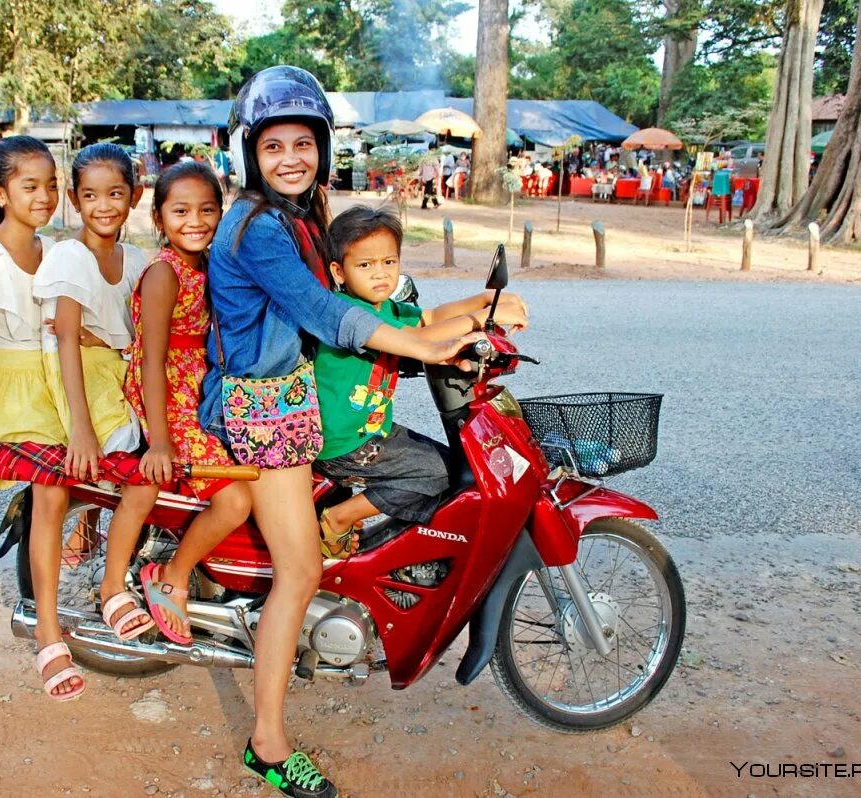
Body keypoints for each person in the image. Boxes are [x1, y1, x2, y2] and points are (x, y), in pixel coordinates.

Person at [200, 65, 485, 798]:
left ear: (323, 148)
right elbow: (325, 314)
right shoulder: (259, 227)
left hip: (300, 394)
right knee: (299, 571)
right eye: (274, 147)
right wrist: (425, 346)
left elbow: (362, 283)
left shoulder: (307, 213)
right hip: (265, 407)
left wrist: (455, 314)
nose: (290, 157)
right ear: (248, 155)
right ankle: (267, 744)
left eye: (304, 142)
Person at [0, 136, 81, 702]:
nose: (45, 195)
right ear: (1, 192)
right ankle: (49, 634)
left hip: (57, 379)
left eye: (52, 185)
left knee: (113, 455)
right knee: (51, 491)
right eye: (31, 186)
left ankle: (82, 532)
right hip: (16, 390)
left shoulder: (53, 251)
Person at [312, 205, 528, 553]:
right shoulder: (350, 313)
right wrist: (480, 319)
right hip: (344, 443)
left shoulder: (385, 307)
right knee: (439, 473)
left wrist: (484, 299)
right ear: (339, 271)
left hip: (372, 430)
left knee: (456, 467)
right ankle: (340, 516)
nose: (379, 274)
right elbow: (421, 341)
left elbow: (429, 318)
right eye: (365, 265)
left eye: (388, 263)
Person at [32, 142, 158, 642]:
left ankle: (91, 532)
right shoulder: (70, 256)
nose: (103, 206)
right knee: (134, 462)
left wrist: (109, 342)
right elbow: (65, 338)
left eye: (115, 194)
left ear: (135, 196)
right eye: (90, 196)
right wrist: (80, 432)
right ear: (73, 198)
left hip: (115, 368)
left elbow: (129, 333)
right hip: (78, 377)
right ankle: (109, 585)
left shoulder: (138, 260)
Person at [125, 161, 253, 644]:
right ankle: (173, 576)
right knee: (235, 497)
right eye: (180, 211)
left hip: (198, 384)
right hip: (167, 390)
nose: (195, 221)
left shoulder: (209, 263)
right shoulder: (165, 273)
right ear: (159, 218)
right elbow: (150, 361)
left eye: (207, 209)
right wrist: (159, 441)